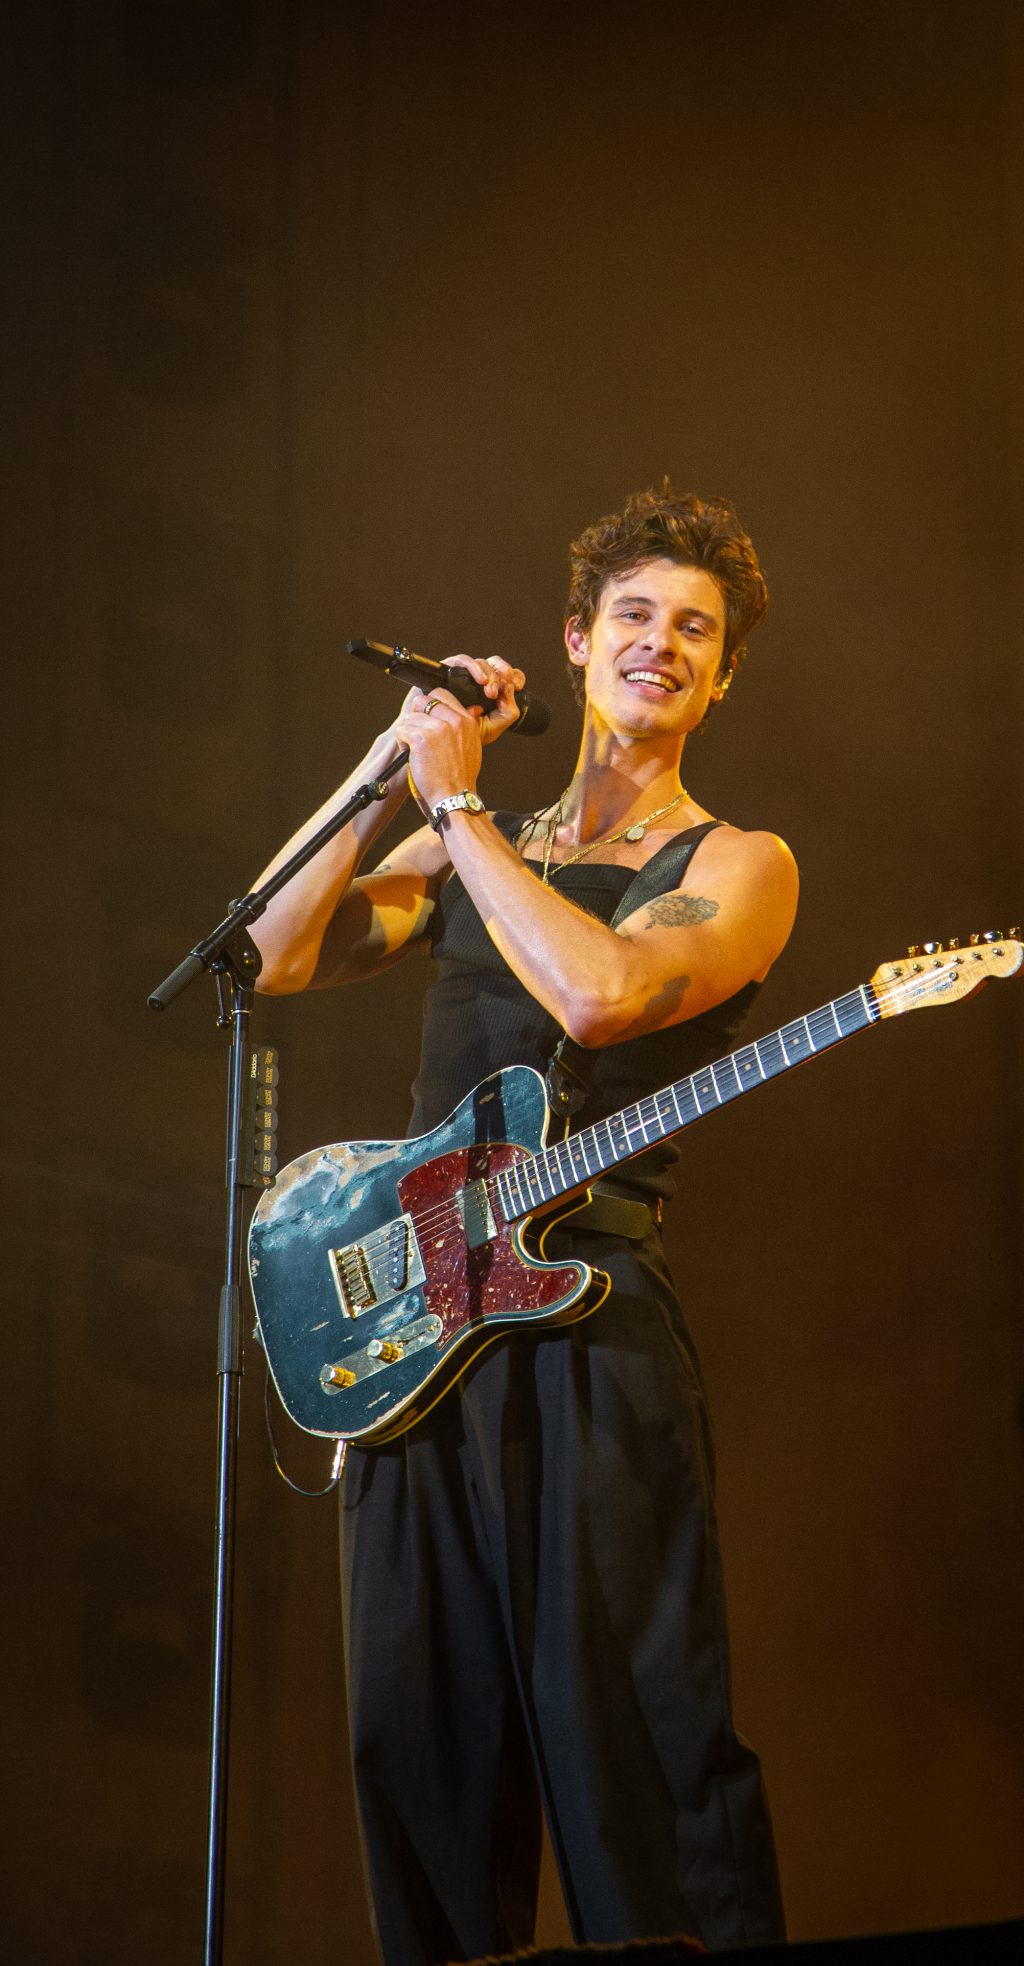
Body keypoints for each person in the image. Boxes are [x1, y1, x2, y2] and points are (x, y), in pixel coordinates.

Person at [252, 485, 798, 1964]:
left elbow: (602, 992)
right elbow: (272, 953)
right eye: (634, 615)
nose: (661, 644)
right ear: (575, 640)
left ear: (722, 672)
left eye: (696, 629)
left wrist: (460, 808)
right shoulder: (475, 839)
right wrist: (387, 769)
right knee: (413, 1755)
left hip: (588, 1326)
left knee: (637, 1755)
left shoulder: (738, 860)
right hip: (420, 1334)